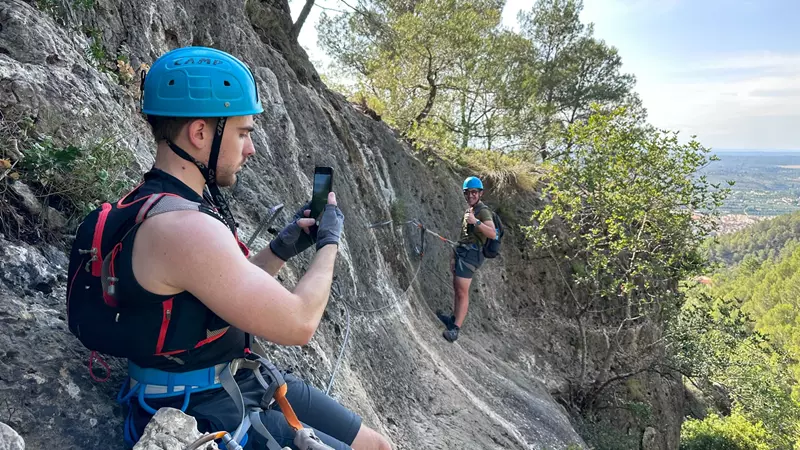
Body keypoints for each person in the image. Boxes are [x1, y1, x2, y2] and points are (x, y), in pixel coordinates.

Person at [98, 46, 391, 449]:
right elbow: (299, 323)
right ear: (200, 133)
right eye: (243, 133)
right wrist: (330, 243)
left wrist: (282, 248)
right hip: (204, 405)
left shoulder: (156, 203)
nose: (250, 149)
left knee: (376, 445)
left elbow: (216, 289)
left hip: (237, 377)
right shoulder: (182, 228)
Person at [437, 176, 495, 343]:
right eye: (467, 193)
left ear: (480, 193)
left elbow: (492, 233)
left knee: (462, 291)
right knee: (457, 287)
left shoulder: (482, 211)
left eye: (474, 192)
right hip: (463, 251)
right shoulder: (470, 210)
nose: (470, 196)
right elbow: (464, 236)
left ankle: (455, 329)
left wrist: (476, 222)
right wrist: (454, 254)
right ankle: (453, 320)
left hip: (472, 255)